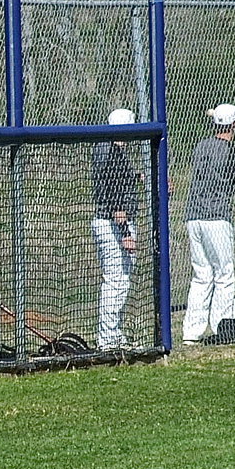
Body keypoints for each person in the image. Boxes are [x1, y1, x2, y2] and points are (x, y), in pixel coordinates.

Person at [183, 102, 235, 344]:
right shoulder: (232, 151)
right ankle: (224, 328)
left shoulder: (200, 146)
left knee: (201, 275)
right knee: (224, 275)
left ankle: (191, 334)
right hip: (216, 218)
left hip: (193, 216)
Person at [91, 109, 142, 350]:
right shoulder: (111, 152)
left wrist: (138, 176)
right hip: (113, 224)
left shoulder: (109, 149)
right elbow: (113, 196)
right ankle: (107, 338)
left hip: (111, 222)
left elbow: (118, 181)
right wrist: (126, 234)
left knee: (120, 280)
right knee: (116, 281)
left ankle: (113, 333)